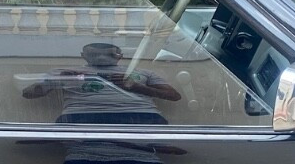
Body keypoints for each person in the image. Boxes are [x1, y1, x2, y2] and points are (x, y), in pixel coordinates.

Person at [21, 41, 181, 126]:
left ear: (120, 56)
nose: (101, 57)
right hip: (81, 118)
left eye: (108, 54)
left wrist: (138, 87)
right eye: (94, 53)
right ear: (83, 55)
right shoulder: (65, 71)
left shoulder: (142, 72)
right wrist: (57, 81)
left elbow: (174, 96)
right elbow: (28, 94)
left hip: (140, 118)